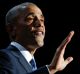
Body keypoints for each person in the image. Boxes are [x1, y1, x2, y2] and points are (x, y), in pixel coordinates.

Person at [0, 2, 74, 74]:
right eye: (30, 18)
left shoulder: (31, 65)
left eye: (42, 20)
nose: (40, 24)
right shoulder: (3, 57)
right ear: (11, 29)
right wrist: (50, 69)